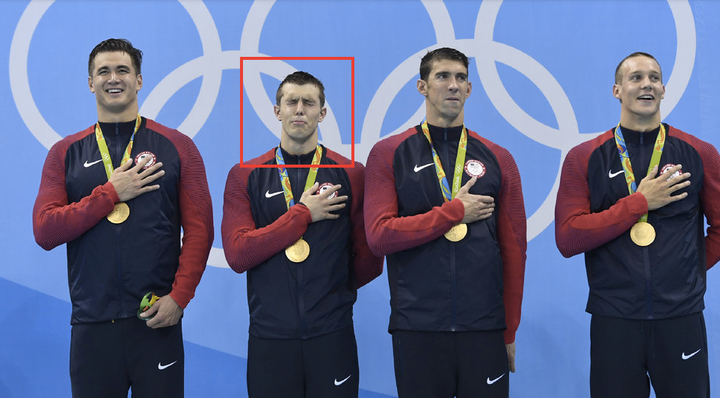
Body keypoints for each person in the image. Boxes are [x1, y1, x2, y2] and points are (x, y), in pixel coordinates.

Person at [32, 38, 214, 398]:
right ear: (90, 82)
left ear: (139, 80)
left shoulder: (178, 146)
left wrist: (179, 297)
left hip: (155, 318)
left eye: (122, 70)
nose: (113, 78)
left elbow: (200, 231)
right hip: (93, 324)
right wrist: (110, 194)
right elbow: (45, 230)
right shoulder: (64, 153)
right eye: (103, 71)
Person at [364, 47, 527, 398]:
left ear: (469, 89)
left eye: (460, 78)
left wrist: (509, 330)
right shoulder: (389, 153)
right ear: (422, 87)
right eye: (442, 77)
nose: (452, 85)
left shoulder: (499, 158)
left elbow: (515, 253)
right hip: (418, 326)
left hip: (483, 327)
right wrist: (453, 213)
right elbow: (379, 236)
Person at [555, 52, 720, 398]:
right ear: (617, 90)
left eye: (654, 78)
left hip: (681, 316)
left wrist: (685, 273)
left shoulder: (700, 153)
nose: (646, 84)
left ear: (663, 89)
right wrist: (639, 203)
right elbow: (568, 238)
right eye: (635, 78)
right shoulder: (584, 157)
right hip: (614, 319)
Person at [221, 71, 383, 398]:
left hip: (332, 335)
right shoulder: (245, 175)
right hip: (271, 338)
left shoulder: (352, 173)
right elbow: (238, 254)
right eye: (291, 101)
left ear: (322, 113)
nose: (299, 109)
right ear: (277, 110)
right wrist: (303, 215)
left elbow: (369, 259)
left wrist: (332, 289)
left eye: (308, 102)